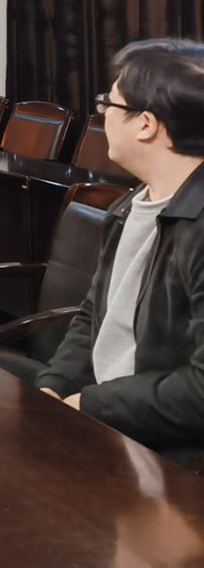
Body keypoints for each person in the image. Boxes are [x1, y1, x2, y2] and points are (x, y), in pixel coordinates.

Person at [34, 39, 204, 461]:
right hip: (110, 417)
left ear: (145, 124)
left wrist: (91, 404)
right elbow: (95, 313)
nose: (102, 114)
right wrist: (54, 386)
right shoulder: (130, 205)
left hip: (170, 453)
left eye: (108, 103)